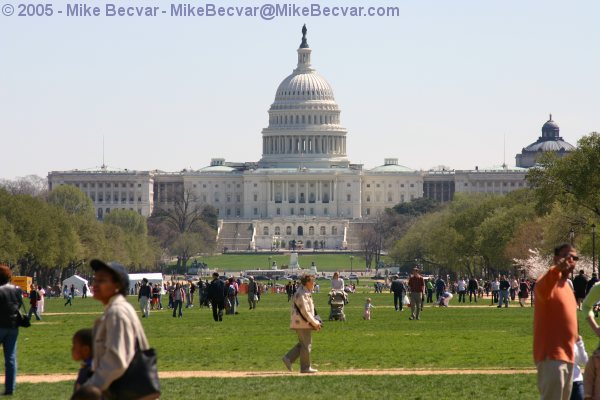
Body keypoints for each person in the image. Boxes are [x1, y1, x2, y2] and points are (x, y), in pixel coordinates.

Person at [80, 259, 150, 394]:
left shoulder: (117, 312)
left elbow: (116, 360)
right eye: (95, 280)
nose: (95, 284)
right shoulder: (114, 310)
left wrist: (90, 388)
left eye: (102, 280)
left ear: (117, 285)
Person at [533, 244, 578, 400]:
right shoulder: (547, 283)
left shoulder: (567, 287)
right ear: (556, 258)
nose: (571, 260)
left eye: (574, 258)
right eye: (567, 256)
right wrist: (556, 269)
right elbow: (542, 286)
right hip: (551, 356)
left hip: (569, 357)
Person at [282, 274, 321, 374]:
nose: (314, 284)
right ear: (307, 282)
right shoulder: (302, 294)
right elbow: (305, 311)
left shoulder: (304, 292)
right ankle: (305, 367)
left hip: (300, 322)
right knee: (306, 345)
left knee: (302, 344)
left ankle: (288, 358)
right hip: (302, 322)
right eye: (312, 282)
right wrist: (314, 323)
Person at [0, 264, 23, 396]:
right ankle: (10, 388)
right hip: (13, 326)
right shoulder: (16, 289)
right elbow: (18, 305)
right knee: (11, 358)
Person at [571, 335, 588, 400]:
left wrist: (579, 342)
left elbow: (585, 361)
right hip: (559, 382)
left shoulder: (575, 341)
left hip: (576, 381)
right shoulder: (554, 340)